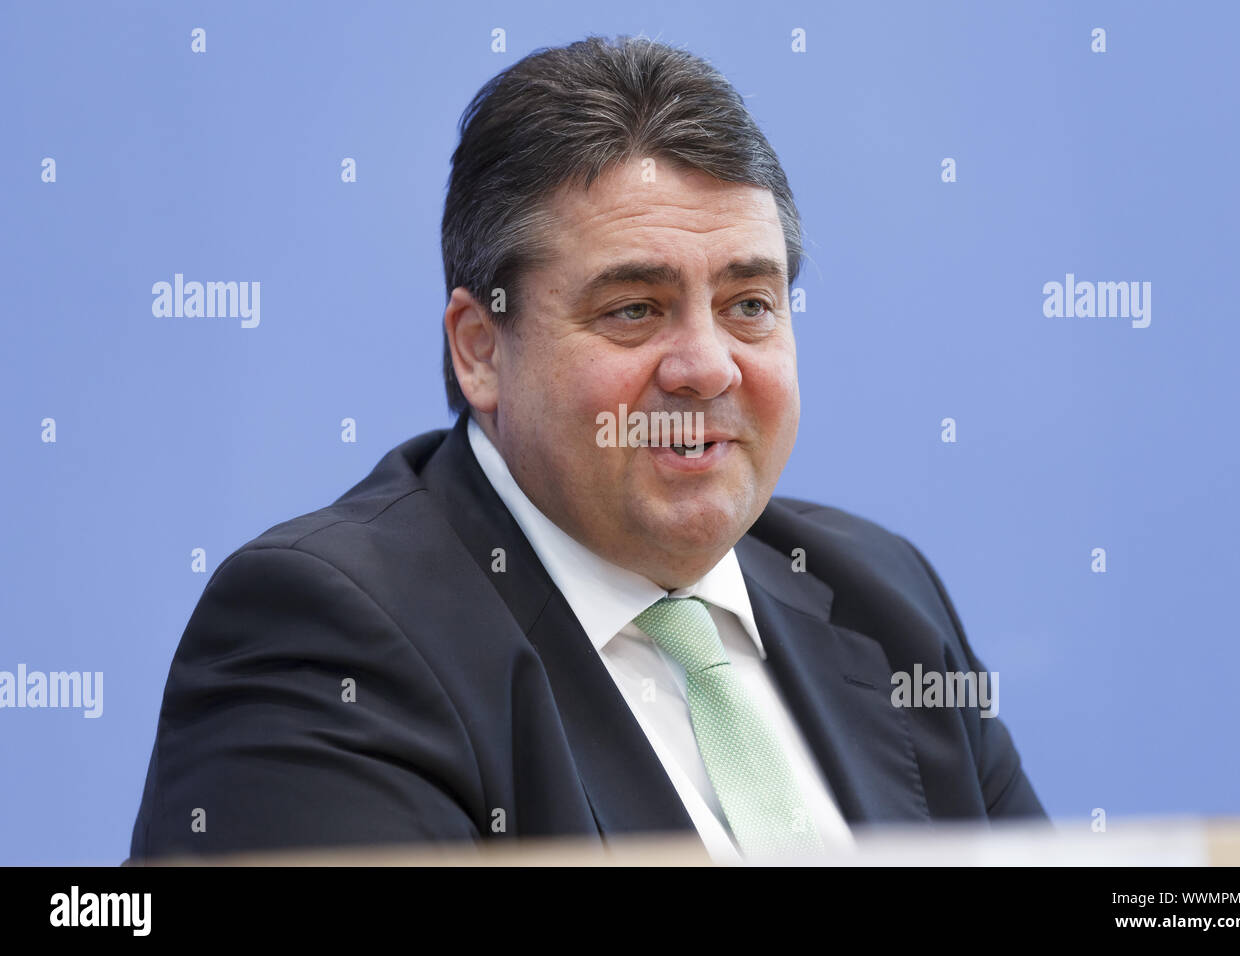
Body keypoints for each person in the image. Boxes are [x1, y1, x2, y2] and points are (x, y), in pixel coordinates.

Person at [128, 34, 1046, 865]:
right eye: (634, 309)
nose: (705, 366)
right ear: (480, 349)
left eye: (749, 306)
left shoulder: (883, 597)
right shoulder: (327, 635)